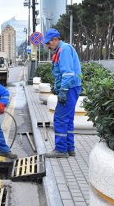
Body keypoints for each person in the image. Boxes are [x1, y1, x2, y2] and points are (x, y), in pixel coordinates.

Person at [43, 28, 82, 158]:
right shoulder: (61, 50)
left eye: (48, 43)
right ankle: (70, 148)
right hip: (72, 87)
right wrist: (57, 86)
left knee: (59, 118)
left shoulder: (64, 50)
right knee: (68, 119)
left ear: (55, 40)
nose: (47, 46)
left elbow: (68, 73)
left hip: (69, 88)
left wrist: (63, 90)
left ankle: (60, 150)